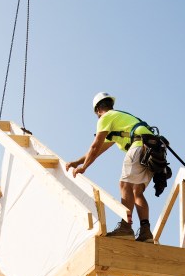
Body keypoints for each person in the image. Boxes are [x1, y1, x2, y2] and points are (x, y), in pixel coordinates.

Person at [65, 92, 154, 243]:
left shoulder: (106, 117)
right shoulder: (120, 121)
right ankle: (146, 232)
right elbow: (99, 150)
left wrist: (84, 167)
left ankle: (126, 227)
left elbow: (95, 146)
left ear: (98, 110)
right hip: (152, 151)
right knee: (136, 191)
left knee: (124, 184)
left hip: (138, 147)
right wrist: (77, 162)